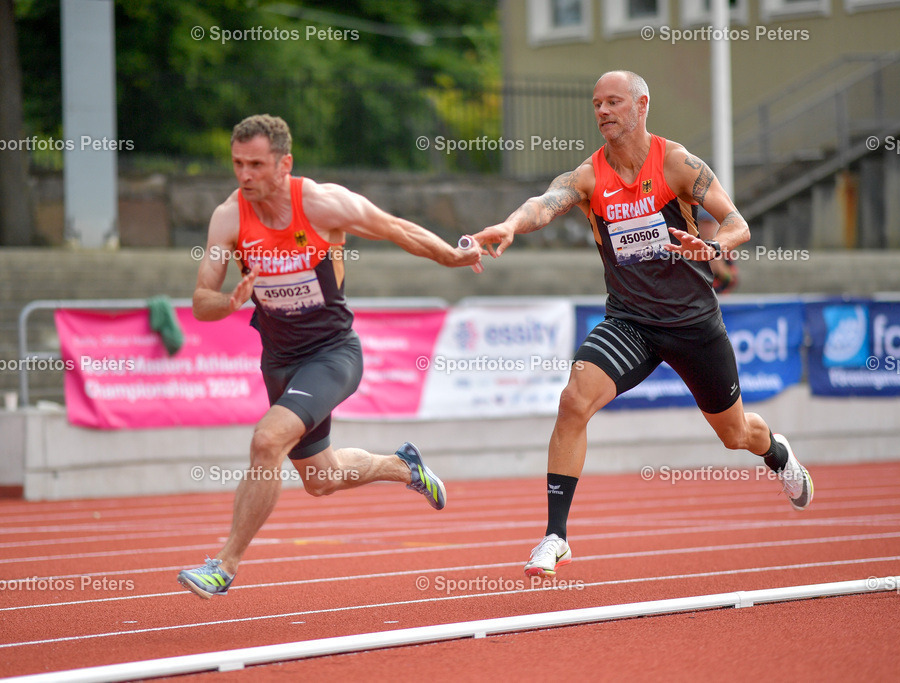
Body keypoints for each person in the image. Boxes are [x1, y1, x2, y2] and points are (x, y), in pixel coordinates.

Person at [471, 71, 813, 578]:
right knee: (572, 402)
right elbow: (545, 203)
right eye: (596, 104)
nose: (603, 111)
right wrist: (510, 225)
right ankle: (555, 536)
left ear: (641, 104)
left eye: (613, 102)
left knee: (736, 434)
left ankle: (779, 452)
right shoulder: (590, 176)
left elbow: (738, 221)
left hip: (694, 323)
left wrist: (714, 246)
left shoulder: (676, 163)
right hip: (631, 321)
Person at [178, 114, 482, 598]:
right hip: (279, 360)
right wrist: (230, 302)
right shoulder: (229, 217)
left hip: (332, 353)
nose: (245, 175)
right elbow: (200, 302)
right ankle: (405, 467)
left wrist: (452, 255)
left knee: (266, 440)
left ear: (285, 163)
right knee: (322, 479)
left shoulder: (320, 203)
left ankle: (224, 564)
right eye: (238, 164)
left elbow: (395, 228)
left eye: (256, 164)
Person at [697, 208, 739, 294]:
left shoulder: (724, 248)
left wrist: (719, 265)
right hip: (698, 298)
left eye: (709, 225)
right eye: (703, 224)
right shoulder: (691, 247)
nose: (706, 229)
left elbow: (732, 280)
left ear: (715, 226)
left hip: (720, 298)